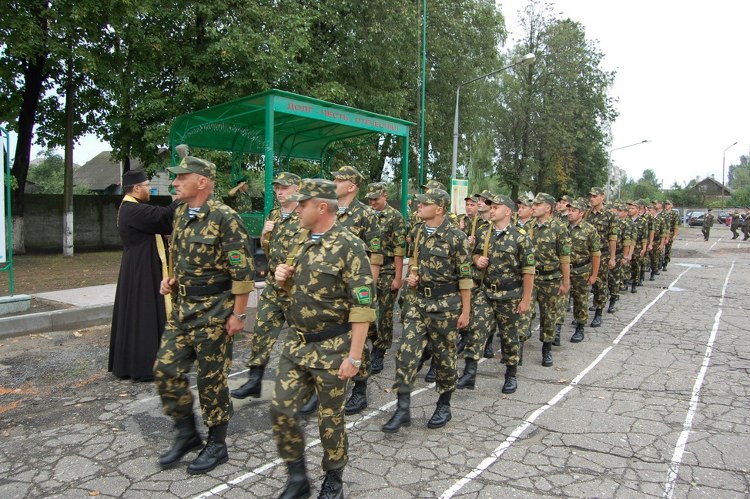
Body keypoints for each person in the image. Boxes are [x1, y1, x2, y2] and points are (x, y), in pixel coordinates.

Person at [271, 178, 375, 499]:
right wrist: (281, 279)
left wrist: (354, 357)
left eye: (303, 204)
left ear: (322, 207)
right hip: (297, 343)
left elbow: (362, 307)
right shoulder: (299, 241)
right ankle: (297, 476)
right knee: (281, 410)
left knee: (329, 419)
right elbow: (293, 290)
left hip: (332, 346)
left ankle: (334, 478)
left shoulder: (351, 246)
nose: (297, 209)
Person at [154, 151, 254, 474]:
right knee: (165, 368)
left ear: (203, 182)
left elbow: (242, 274)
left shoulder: (226, 218)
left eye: (181, 177)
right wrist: (171, 279)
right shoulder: (181, 214)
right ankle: (186, 433)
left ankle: (217, 443)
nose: (175, 182)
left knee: (211, 381)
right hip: (183, 311)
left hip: (214, 313)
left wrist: (238, 315)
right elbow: (178, 253)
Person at [382, 188, 472, 433]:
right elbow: (416, 261)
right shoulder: (419, 230)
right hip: (418, 303)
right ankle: (402, 409)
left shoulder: (456, 237)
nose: (418, 207)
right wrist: (413, 276)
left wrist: (465, 312)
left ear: (439, 209)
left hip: (445, 307)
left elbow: (465, 278)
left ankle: (444, 404)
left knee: (444, 358)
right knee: (406, 353)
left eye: (424, 204)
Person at [230, 172, 302, 400]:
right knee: (262, 331)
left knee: (303, 336)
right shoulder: (273, 215)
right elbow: (267, 247)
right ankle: (255, 379)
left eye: (285, 187)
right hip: (273, 284)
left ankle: (310, 383)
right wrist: (263, 234)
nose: (280, 192)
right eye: (277, 188)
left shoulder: (305, 215)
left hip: (297, 288)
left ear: (297, 188)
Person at [109, 170, 179, 382]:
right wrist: (178, 200)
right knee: (143, 314)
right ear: (137, 188)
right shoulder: (131, 209)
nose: (149, 189)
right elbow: (162, 217)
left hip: (140, 267)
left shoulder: (132, 208)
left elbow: (160, 224)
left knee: (140, 315)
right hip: (141, 270)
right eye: (147, 185)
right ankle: (144, 366)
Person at [329, 165, 383, 417]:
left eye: (338, 180)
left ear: (351, 186)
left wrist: (369, 291)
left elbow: (375, 255)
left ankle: (360, 389)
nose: (334, 183)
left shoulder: (366, 215)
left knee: (357, 338)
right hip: (330, 287)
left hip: (355, 287)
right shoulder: (328, 209)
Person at [471, 194, 535, 393]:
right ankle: (469, 370)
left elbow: (528, 270)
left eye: (496, 207)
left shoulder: (520, 237)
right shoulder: (483, 233)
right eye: (490, 207)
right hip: (487, 292)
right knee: (476, 327)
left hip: (510, 295)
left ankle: (510, 374)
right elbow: (475, 253)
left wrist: (525, 300)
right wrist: (476, 259)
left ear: (508, 211)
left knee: (509, 336)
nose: (491, 210)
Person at [365, 182, 406, 375]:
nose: (372, 202)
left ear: (384, 197)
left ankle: (380, 350)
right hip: (367, 268)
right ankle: (373, 338)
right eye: (370, 199)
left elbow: (399, 249)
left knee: (385, 313)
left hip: (388, 269)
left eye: (375, 198)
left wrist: (398, 277)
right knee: (365, 308)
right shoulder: (366, 215)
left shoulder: (395, 217)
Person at [530, 193, 571, 366]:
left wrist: (566, 282)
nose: (534, 207)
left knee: (548, 316)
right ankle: (516, 351)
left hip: (551, 279)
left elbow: (565, 257)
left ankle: (546, 349)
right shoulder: (530, 227)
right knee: (524, 314)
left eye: (538, 204)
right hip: (531, 278)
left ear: (548, 208)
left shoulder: (559, 228)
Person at [565, 199, 601, 343]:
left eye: (573, 211)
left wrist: (594, 275)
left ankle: (580, 327)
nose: (570, 213)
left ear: (581, 213)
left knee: (580, 299)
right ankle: (557, 330)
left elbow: (596, 254)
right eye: (569, 210)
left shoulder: (589, 230)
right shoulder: (563, 228)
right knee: (561, 300)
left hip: (581, 270)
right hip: (565, 270)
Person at [586, 187, 617, 328]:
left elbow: (612, 238)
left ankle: (598, 312)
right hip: (586, 255)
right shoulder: (587, 214)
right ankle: (581, 315)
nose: (592, 198)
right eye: (590, 196)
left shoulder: (610, 216)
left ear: (602, 197)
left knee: (600, 284)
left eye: (594, 196)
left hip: (602, 254)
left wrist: (612, 257)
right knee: (583, 284)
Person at [662, 200, 679, 270]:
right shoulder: (662, 213)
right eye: (666, 204)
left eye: (668, 204)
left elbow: (676, 225)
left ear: (671, 205)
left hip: (670, 233)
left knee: (667, 249)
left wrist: (675, 235)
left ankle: (665, 263)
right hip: (662, 233)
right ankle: (659, 262)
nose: (666, 205)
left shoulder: (674, 214)